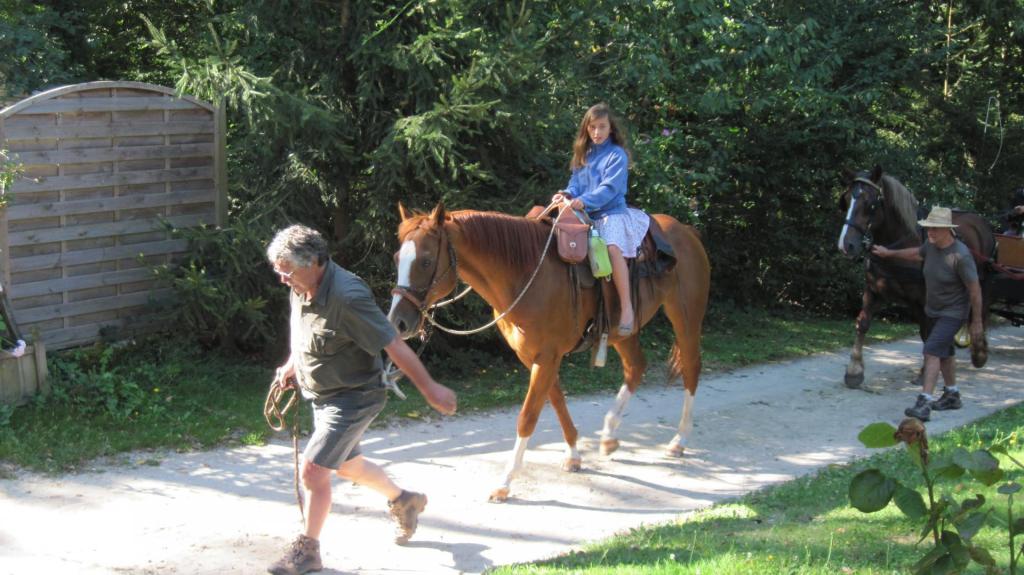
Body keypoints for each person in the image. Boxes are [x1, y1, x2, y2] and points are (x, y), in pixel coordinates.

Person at [265, 224, 457, 575]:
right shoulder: (301, 285)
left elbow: (392, 342)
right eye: (279, 270)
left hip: (354, 397)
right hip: (323, 396)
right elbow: (302, 329)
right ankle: (405, 500)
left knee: (314, 471)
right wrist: (292, 364)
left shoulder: (348, 296)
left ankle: (308, 551)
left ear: (314, 262)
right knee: (347, 466)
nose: (283, 278)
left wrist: (430, 388)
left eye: (287, 271)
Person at [871, 206, 984, 422]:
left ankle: (924, 402)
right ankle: (952, 394)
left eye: (935, 228)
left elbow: (975, 289)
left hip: (953, 313)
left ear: (947, 230)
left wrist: (976, 321)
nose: (930, 232)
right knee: (945, 352)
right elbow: (916, 253)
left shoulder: (960, 255)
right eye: (928, 227)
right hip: (933, 310)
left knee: (931, 351)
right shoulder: (931, 246)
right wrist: (889, 253)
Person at [551, 103, 650, 336]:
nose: (597, 132)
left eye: (602, 127)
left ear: (611, 128)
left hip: (610, 213)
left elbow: (609, 189)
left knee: (613, 248)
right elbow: (575, 184)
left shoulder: (617, 155)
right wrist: (565, 194)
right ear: (586, 129)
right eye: (592, 127)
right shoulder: (584, 154)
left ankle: (626, 308)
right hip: (585, 213)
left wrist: (584, 200)